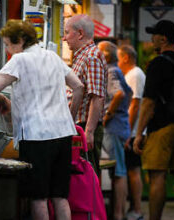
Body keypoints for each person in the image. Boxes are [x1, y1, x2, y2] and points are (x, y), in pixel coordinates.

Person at [0, 19, 84, 220]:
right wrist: (70, 117)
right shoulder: (53, 57)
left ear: (20, 40)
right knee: (59, 195)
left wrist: (1, 98)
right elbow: (79, 87)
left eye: (7, 44)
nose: (7, 49)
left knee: (38, 196)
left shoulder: (19, 60)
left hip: (36, 135)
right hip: (63, 134)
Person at [133, 20, 174, 220]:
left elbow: (148, 103)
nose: (152, 38)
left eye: (154, 35)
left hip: (162, 127)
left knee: (157, 175)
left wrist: (139, 134)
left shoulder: (158, 63)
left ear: (163, 39)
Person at [63, 14, 108, 176]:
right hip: (79, 127)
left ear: (80, 33)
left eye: (67, 33)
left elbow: (97, 97)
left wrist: (88, 132)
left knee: (87, 176)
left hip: (84, 128)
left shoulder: (91, 57)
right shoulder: (83, 55)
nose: (64, 38)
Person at [98, 41, 132, 220]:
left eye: (98, 51)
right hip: (120, 126)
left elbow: (120, 94)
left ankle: (118, 215)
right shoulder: (116, 71)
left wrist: (107, 115)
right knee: (119, 170)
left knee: (118, 172)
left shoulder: (111, 71)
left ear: (106, 55)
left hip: (113, 127)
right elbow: (129, 93)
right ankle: (119, 213)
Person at [117, 44, 146, 220]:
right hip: (130, 130)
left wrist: (127, 131)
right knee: (129, 170)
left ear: (126, 58)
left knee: (133, 170)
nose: (118, 62)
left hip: (133, 132)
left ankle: (136, 210)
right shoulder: (131, 74)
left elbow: (135, 104)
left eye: (119, 58)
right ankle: (133, 209)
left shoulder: (135, 74)